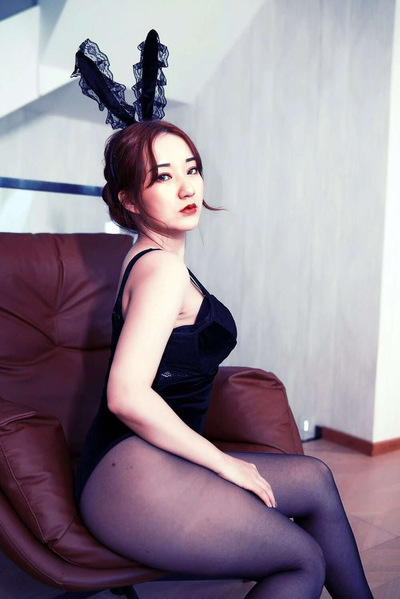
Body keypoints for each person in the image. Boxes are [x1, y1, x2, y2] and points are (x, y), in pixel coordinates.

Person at [74, 119, 373, 599]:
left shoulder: (151, 257)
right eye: (163, 177)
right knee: (303, 561)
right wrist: (223, 463)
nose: (186, 187)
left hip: (141, 462)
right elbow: (125, 395)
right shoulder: (161, 271)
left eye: (191, 169)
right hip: (129, 476)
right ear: (129, 200)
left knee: (316, 479)